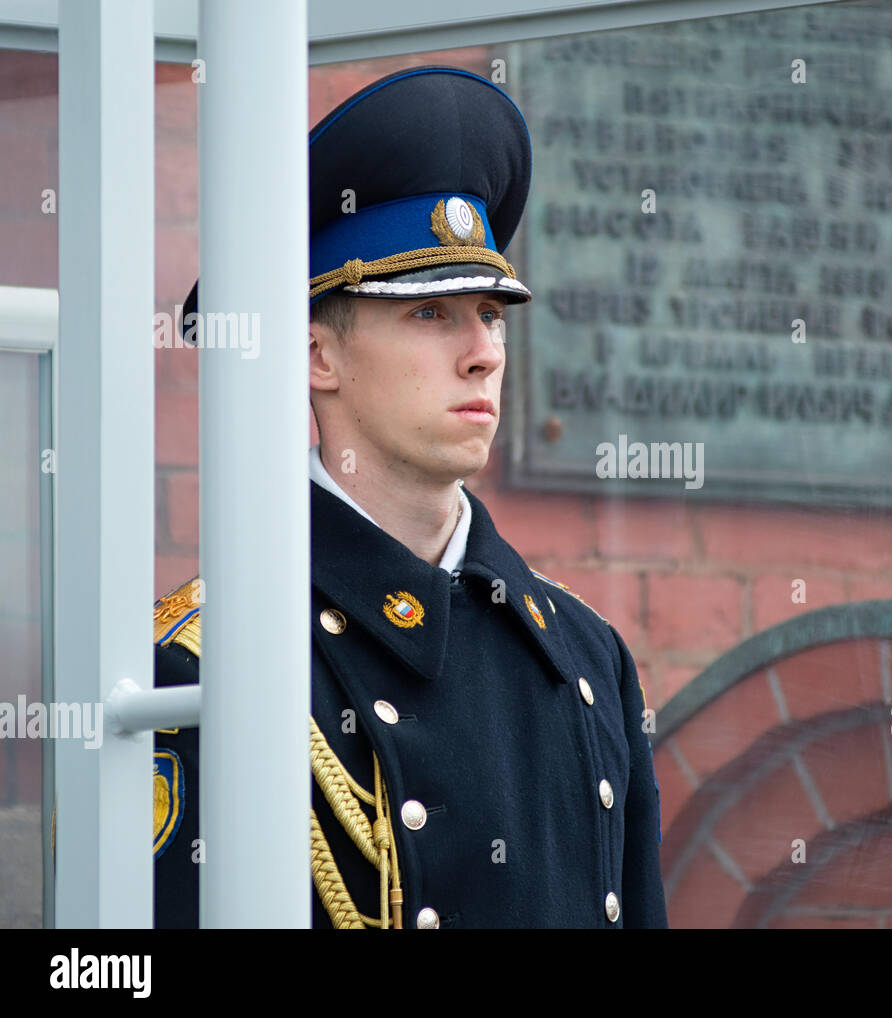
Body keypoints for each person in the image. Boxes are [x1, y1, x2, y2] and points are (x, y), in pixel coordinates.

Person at [151, 66, 669, 929]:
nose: (483, 353)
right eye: (429, 314)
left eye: (491, 313)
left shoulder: (586, 656)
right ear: (317, 356)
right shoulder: (211, 662)